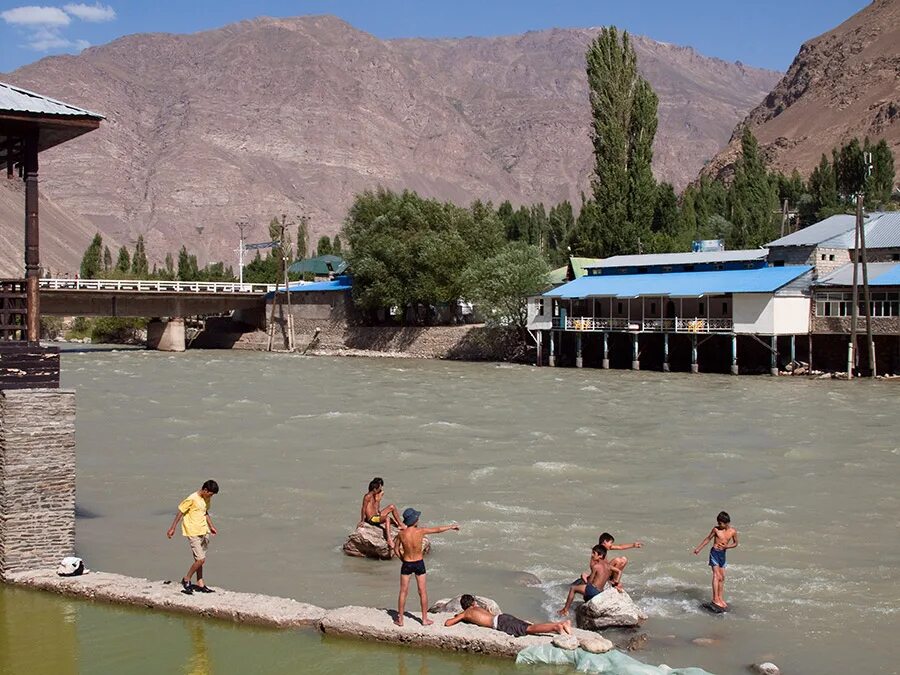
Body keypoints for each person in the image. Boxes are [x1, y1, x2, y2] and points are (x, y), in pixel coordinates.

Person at [393, 507, 459, 627]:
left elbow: (395, 548)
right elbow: (438, 530)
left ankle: (401, 620)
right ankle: (424, 619)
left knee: (403, 592)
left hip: (407, 563)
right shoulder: (420, 531)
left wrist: (402, 558)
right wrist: (451, 526)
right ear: (415, 520)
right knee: (422, 592)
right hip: (419, 563)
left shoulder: (401, 534)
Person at [166, 479, 219, 595]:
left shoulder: (206, 498)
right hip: (193, 531)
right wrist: (172, 528)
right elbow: (180, 512)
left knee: (200, 560)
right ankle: (186, 579)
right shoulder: (192, 498)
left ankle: (200, 583)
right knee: (200, 559)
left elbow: (205, 513)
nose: (211, 496)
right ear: (205, 490)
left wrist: (211, 526)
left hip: (204, 531)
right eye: (210, 494)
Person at [444, 593, 571, 636]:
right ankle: (562, 624)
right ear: (473, 603)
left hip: (500, 623)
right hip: (503, 617)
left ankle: (557, 626)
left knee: (529, 629)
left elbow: (448, 623)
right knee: (527, 625)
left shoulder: (466, 613)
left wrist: (459, 616)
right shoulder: (478, 608)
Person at [693, 510, 739, 609]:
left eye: (720, 523)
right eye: (718, 522)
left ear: (726, 523)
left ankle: (720, 598)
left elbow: (736, 543)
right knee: (716, 575)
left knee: (722, 577)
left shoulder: (733, 531)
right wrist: (698, 548)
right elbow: (708, 539)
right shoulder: (716, 530)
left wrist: (727, 547)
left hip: (723, 554)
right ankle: (715, 599)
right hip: (714, 553)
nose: (718, 524)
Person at [558, 544, 618, 615]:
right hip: (600, 592)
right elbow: (618, 571)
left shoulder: (596, 566)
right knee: (585, 590)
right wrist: (616, 582)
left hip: (593, 590)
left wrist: (585, 579)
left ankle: (565, 610)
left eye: (594, 553)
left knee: (573, 588)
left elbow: (590, 582)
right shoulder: (609, 567)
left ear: (600, 556)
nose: (592, 555)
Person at [359, 477, 404, 548]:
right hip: (372, 518)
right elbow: (363, 508)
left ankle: (401, 525)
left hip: (376, 515)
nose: (381, 489)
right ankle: (389, 539)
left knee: (392, 506)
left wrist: (378, 499)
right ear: (374, 489)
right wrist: (362, 520)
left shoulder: (375, 496)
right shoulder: (367, 496)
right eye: (379, 488)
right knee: (387, 519)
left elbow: (376, 508)